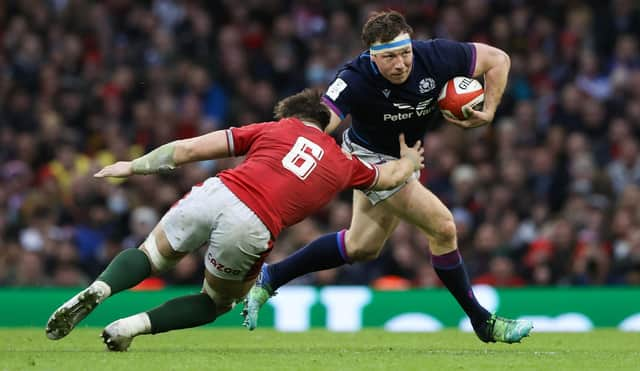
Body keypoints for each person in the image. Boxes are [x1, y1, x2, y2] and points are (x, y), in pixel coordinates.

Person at [44, 89, 423, 351]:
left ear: (292, 117)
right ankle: (129, 327)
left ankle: (100, 287)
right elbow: (388, 178)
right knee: (215, 302)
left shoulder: (274, 128)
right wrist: (409, 160)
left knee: (149, 255)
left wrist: (134, 166)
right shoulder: (344, 164)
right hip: (253, 224)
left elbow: (190, 148)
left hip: (218, 192)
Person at [243, 11, 533, 343]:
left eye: (404, 53)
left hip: (406, 158)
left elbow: (498, 59)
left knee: (361, 246)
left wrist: (490, 110)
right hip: (370, 162)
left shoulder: (434, 55)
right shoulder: (353, 78)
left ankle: (271, 276)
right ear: (370, 55)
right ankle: (484, 322)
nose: (400, 63)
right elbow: (323, 121)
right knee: (443, 227)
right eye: (389, 57)